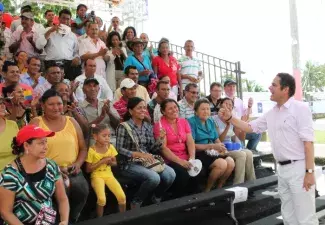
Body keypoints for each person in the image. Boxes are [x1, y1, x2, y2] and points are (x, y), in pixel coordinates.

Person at [219, 73, 318, 225]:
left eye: (274, 85)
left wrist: (309, 172)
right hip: (282, 170)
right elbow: (250, 127)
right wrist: (229, 118)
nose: (269, 88)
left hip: (299, 169)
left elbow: (308, 143)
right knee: (288, 215)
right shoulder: (271, 113)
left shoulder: (300, 108)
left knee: (305, 217)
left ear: (285, 89)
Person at [29, 89, 89, 223]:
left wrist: (78, 164)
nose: (56, 108)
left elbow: (83, 148)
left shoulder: (72, 121)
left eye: (59, 103)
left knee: (81, 190)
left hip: (73, 170)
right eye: (51, 104)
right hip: (46, 171)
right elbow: (30, 153)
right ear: (43, 106)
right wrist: (53, 168)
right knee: (59, 194)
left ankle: (71, 220)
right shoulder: (36, 123)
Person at [0, 125, 69, 225]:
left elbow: (62, 198)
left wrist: (64, 220)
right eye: (41, 143)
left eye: (46, 142)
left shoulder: (51, 166)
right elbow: (6, 212)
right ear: (26, 146)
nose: (46, 147)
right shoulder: (10, 174)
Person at [116, 97, 176, 208]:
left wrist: (160, 139)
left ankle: (156, 197)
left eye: (144, 107)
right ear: (130, 111)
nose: (143, 110)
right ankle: (136, 201)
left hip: (147, 160)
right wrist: (138, 154)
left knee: (170, 174)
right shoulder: (123, 126)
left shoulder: (147, 126)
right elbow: (119, 149)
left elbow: (152, 148)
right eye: (139, 108)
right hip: (129, 163)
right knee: (154, 178)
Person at [187, 98, 235, 191]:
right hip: (199, 152)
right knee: (222, 164)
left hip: (212, 151)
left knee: (230, 162)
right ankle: (207, 190)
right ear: (196, 111)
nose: (206, 111)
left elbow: (216, 139)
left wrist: (222, 147)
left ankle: (219, 188)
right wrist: (212, 146)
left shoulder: (210, 121)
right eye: (203, 109)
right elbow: (192, 145)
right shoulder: (191, 122)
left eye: (208, 109)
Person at [153, 99, 196, 197]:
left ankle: (194, 201)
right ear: (163, 111)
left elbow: (190, 141)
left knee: (197, 171)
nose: (174, 110)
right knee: (183, 174)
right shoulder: (159, 125)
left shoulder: (183, 122)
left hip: (185, 157)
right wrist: (180, 162)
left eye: (175, 107)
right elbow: (163, 148)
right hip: (170, 159)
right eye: (170, 108)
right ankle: (178, 201)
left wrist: (192, 158)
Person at [85, 124, 126, 217]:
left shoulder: (110, 147)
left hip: (109, 174)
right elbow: (88, 169)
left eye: (109, 136)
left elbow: (115, 163)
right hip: (97, 176)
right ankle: (100, 219)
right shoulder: (92, 150)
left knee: (122, 197)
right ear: (95, 137)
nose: (107, 138)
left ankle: (124, 217)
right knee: (102, 199)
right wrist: (102, 161)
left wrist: (111, 162)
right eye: (104, 136)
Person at [213, 97, 256, 184]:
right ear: (221, 105)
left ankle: (252, 183)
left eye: (230, 105)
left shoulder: (231, 119)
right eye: (226, 104)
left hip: (231, 147)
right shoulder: (214, 119)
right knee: (241, 155)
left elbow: (236, 138)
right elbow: (218, 140)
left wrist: (242, 131)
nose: (228, 106)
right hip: (220, 148)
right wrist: (228, 126)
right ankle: (238, 185)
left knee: (249, 153)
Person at [36, 9, 81, 81]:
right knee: (51, 87)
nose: (65, 21)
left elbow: (76, 52)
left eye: (68, 19)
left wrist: (76, 57)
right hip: (51, 64)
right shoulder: (48, 29)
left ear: (70, 21)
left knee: (66, 88)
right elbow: (38, 45)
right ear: (59, 18)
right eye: (63, 18)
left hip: (68, 65)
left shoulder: (72, 35)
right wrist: (50, 31)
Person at [223, 79, 262, 151]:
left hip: (240, 128)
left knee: (257, 133)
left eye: (233, 86)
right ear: (224, 88)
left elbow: (246, 116)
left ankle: (251, 151)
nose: (232, 88)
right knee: (240, 138)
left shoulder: (239, 101)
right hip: (230, 130)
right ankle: (245, 150)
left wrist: (249, 106)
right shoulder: (222, 101)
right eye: (229, 86)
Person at [79, 77, 120, 144]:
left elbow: (118, 124)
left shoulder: (106, 103)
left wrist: (109, 113)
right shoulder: (80, 108)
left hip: (112, 139)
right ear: (84, 90)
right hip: (94, 140)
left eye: (95, 86)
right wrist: (101, 117)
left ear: (99, 89)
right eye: (89, 86)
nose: (92, 89)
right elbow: (85, 130)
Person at [0, 95, 19, 172]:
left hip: (15, 175)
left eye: (2, 103)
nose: (2, 106)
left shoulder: (13, 125)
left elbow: (22, 151)